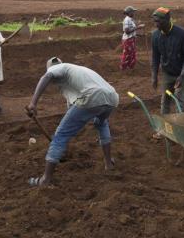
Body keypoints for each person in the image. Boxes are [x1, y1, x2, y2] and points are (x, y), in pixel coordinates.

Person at [25, 57, 119, 187]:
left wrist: (33, 104)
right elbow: (72, 111)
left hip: (91, 96)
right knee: (101, 123)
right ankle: (108, 163)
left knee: (60, 135)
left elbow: (45, 77)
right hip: (112, 96)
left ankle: (45, 180)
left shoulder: (58, 68)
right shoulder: (73, 76)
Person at [151, 7, 184, 113]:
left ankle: (181, 124)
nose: (156, 24)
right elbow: (155, 57)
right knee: (165, 100)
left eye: (158, 22)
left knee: (179, 98)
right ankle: (165, 126)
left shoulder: (182, 34)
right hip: (167, 73)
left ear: (167, 20)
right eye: (155, 21)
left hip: (181, 73)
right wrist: (154, 76)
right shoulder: (155, 35)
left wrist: (183, 75)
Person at [120, 6, 144, 70]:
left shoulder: (130, 19)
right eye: (133, 12)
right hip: (128, 40)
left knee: (132, 54)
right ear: (129, 13)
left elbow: (132, 30)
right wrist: (138, 27)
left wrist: (138, 34)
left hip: (131, 39)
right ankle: (124, 68)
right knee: (127, 54)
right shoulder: (126, 20)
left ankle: (130, 68)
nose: (134, 13)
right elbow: (127, 31)